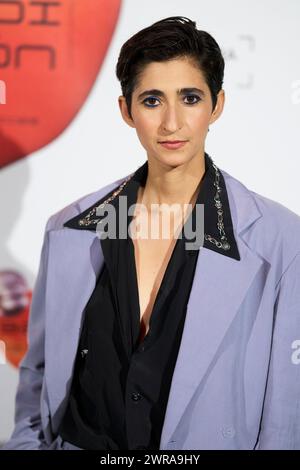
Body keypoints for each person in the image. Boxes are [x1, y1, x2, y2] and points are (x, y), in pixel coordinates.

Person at [3, 16, 300, 451]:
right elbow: (39, 375)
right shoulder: (69, 228)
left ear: (216, 106)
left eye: (191, 98)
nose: (171, 123)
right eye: (152, 100)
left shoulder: (280, 238)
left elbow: (284, 419)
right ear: (126, 111)